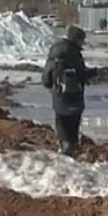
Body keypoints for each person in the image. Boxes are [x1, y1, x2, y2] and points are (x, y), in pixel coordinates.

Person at [41, 25, 91, 155]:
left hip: (59, 94)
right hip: (75, 95)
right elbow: (82, 75)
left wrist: (49, 86)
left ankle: (65, 145)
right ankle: (72, 148)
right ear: (77, 39)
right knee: (73, 123)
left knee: (61, 122)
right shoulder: (75, 53)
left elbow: (46, 75)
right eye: (81, 40)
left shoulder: (55, 51)